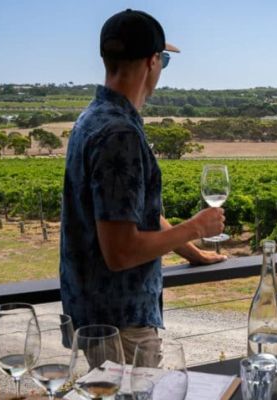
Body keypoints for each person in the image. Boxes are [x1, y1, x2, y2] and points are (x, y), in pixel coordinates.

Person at [60, 9, 226, 361]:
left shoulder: (92, 119)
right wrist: (196, 227)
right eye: (164, 58)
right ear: (153, 62)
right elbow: (120, 252)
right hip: (120, 328)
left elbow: (135, 215)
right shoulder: (119, 133)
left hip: (95, 315)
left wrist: (192, 253)